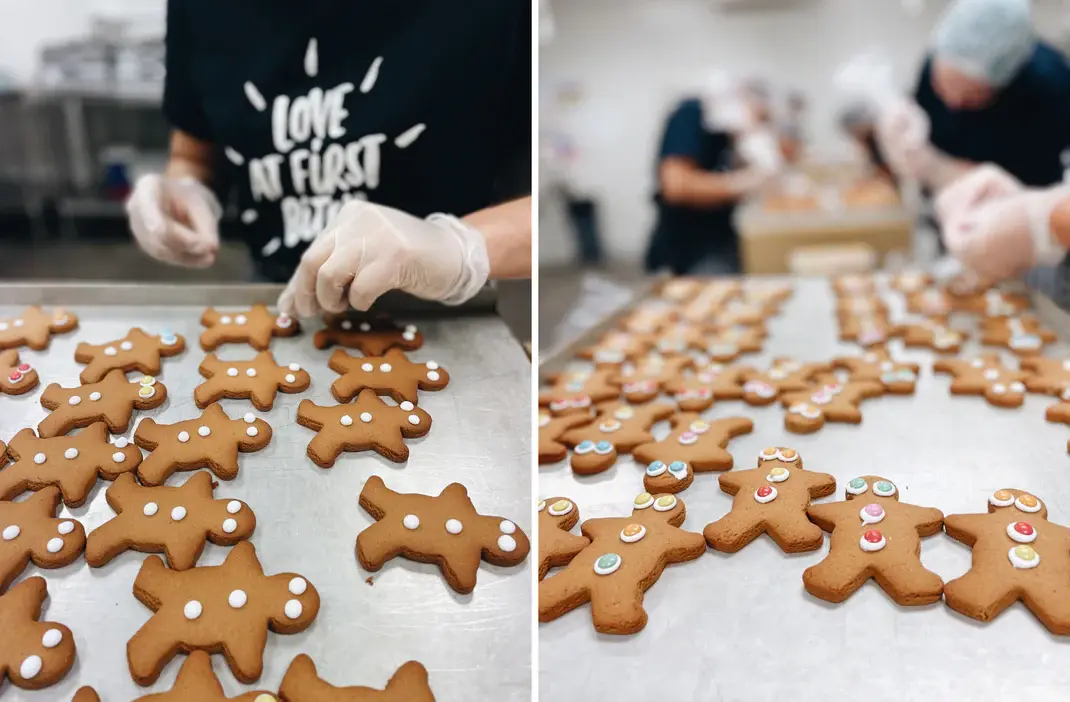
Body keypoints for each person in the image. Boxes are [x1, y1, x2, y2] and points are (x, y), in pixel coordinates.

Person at [125, 1, 532, 318]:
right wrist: (184, 189)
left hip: (445, 304)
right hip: (279, 291)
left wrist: (461, 247)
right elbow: (193, 154)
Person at [877, 0, 1070, 191]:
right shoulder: (935, 64)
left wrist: (941, 170)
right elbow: (923, 122)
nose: (952, 102)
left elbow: (1040, 191)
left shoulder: (1050, 88)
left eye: (971, 97)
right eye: (943, 87)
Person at [645, 77, 781, 275]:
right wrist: (744, 183)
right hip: (689, 246)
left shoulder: (726, 131)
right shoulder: (692, 115)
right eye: (760, 117)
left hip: (720, 235)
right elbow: (676, 185)